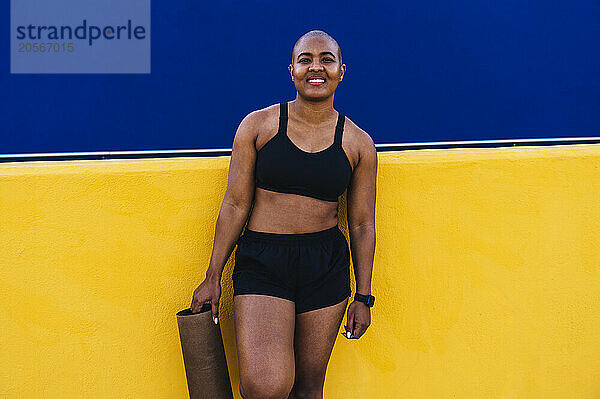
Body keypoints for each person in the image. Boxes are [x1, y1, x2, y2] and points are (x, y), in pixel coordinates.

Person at [190, 29, 377, 399]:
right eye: (305, 59)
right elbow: (235, 204)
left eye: (326, 59)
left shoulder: (358, 143)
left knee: (308, 389)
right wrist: (213, 275)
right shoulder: (258, 126)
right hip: (263, 261)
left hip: (325, 266)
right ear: (291, 70)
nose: (316, 67)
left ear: (342, 70)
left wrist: (364, 295)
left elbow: (362, 224)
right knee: (265, 385)